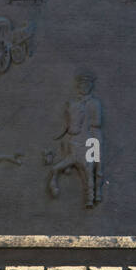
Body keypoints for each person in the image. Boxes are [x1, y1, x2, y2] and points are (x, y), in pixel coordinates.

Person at [47, 73, 103, 208]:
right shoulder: (75, 102)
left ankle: (97, 190)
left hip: (92, 131)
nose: (84, 87)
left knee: (97, 153)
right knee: (66, 140)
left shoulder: (95, 103)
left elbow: (98, 121)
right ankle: (68, 162)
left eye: (87, 85)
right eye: (82, 85)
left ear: (90, 87)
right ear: (79, 86)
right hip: (77, 129)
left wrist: (87, 122)